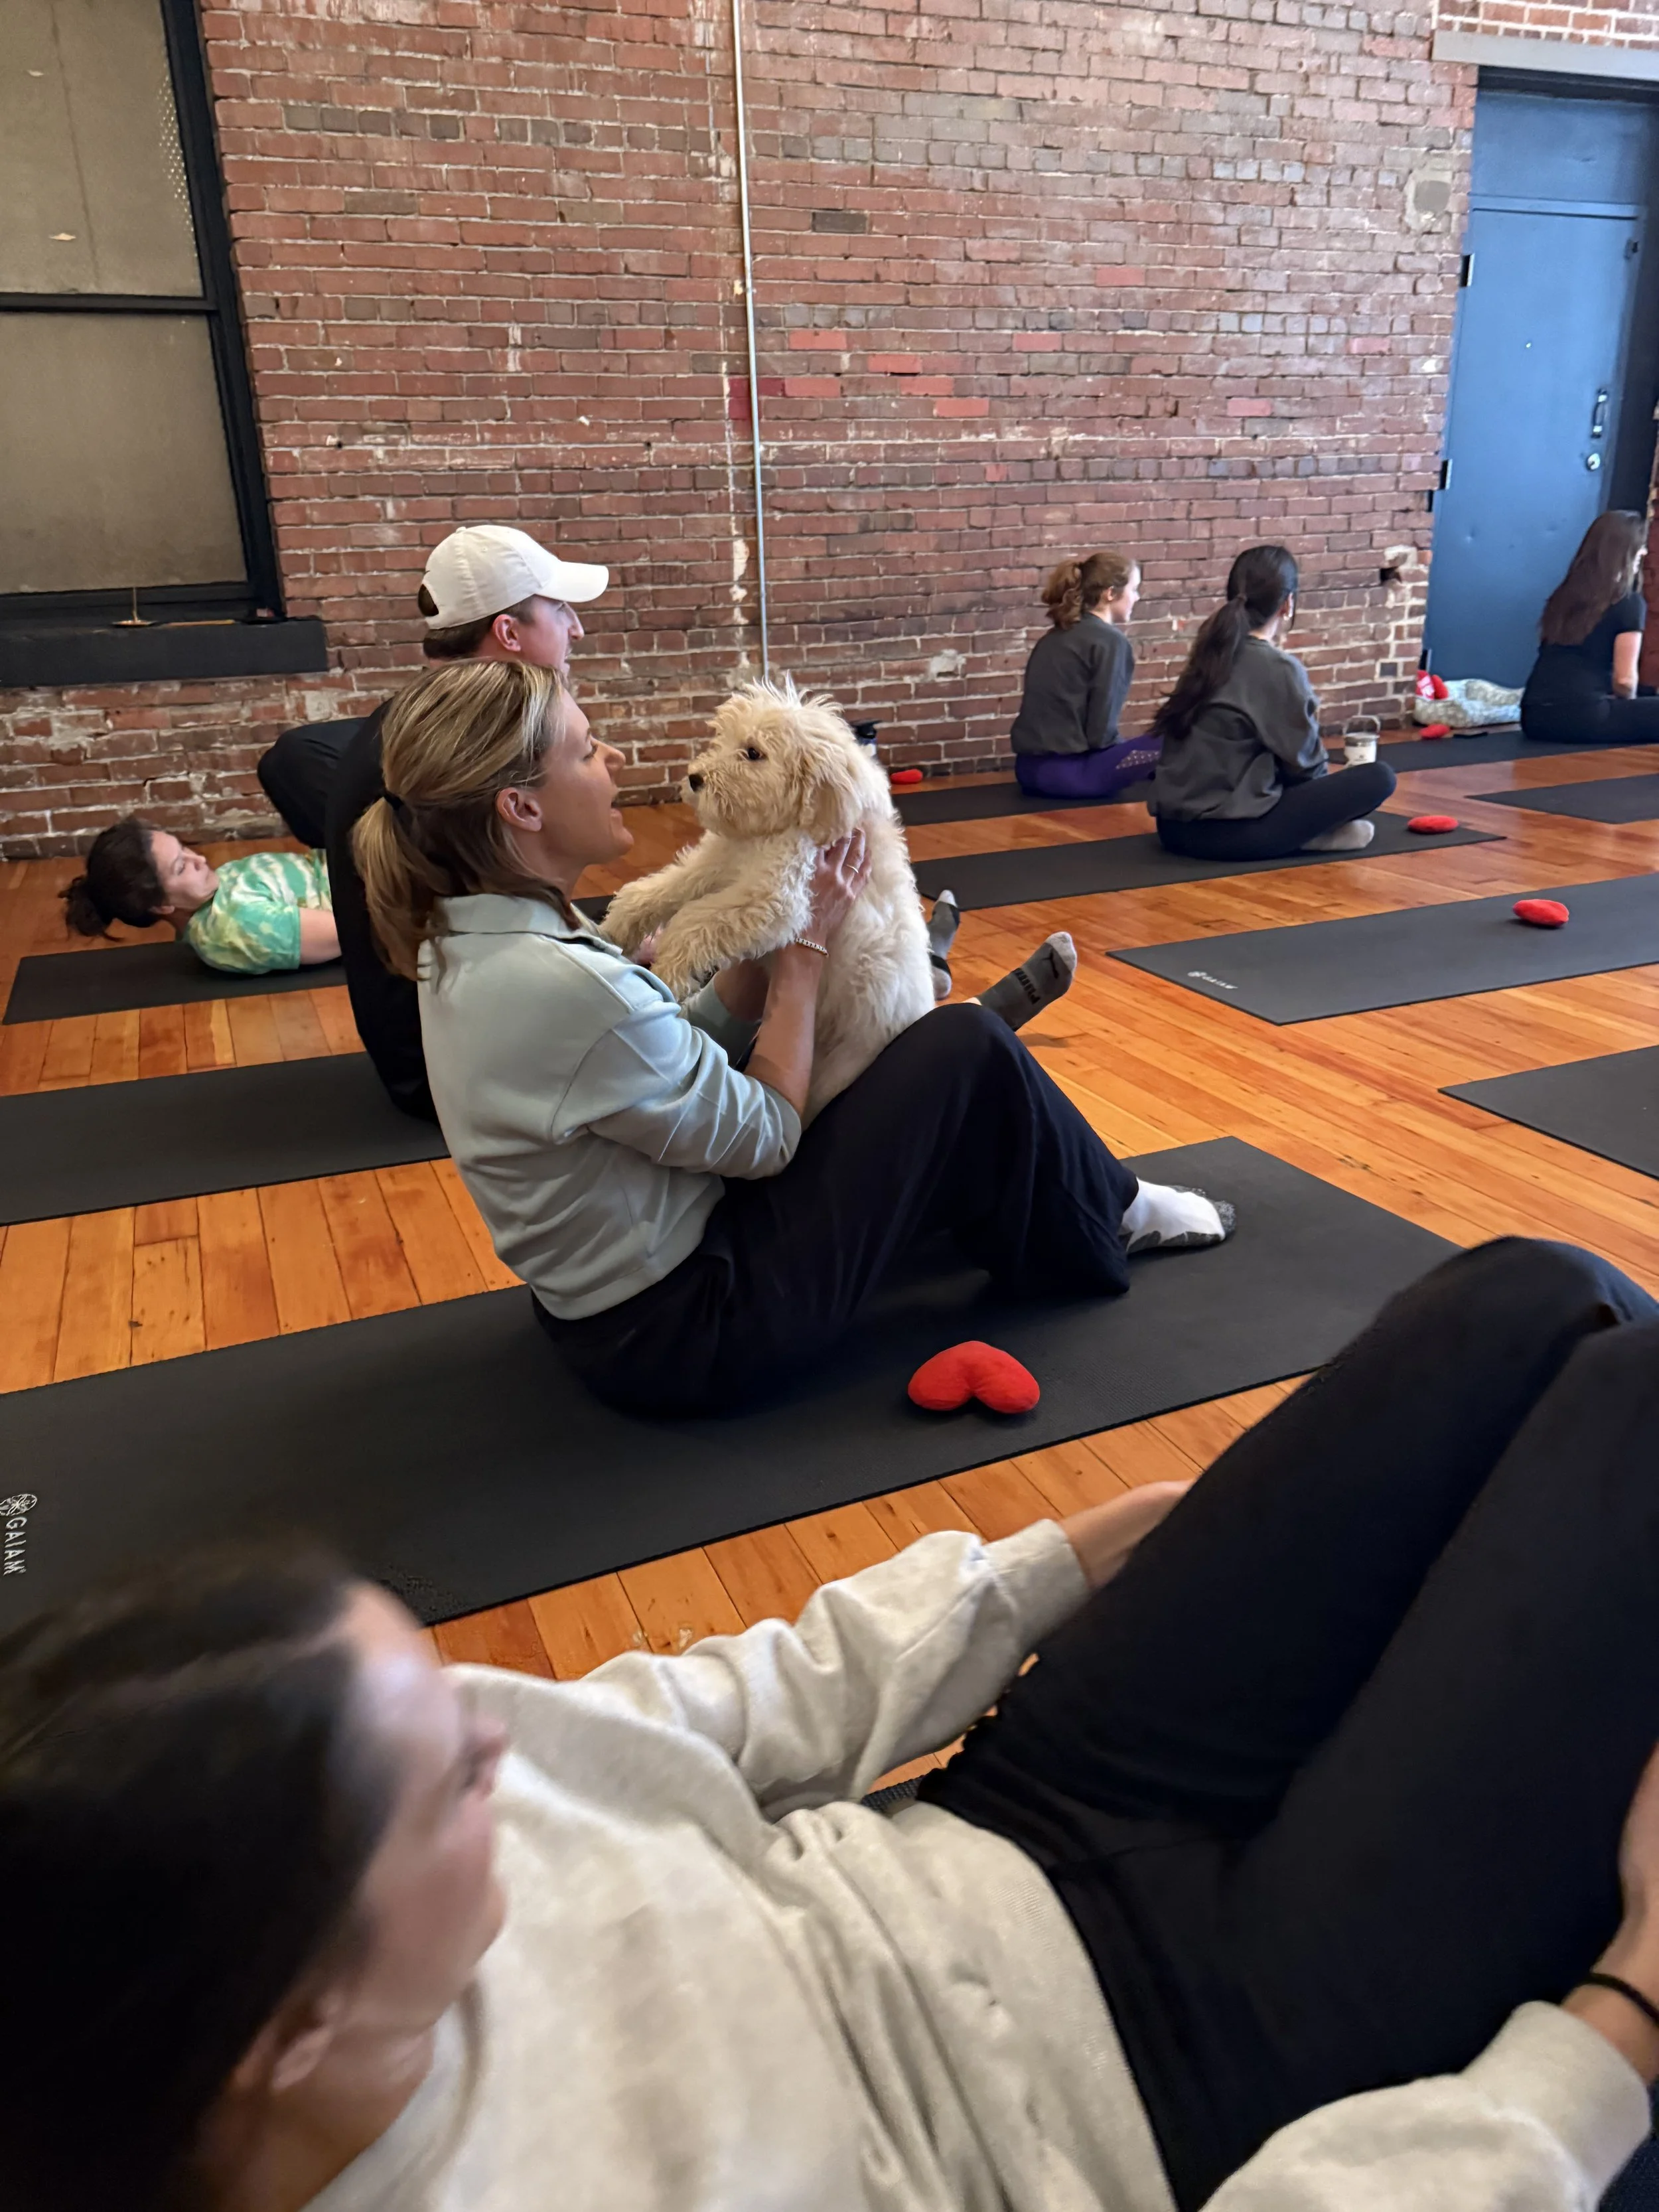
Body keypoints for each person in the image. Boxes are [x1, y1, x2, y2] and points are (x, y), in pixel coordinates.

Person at [12, 1238, 1659, 2212]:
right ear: (291, 2029)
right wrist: (1623, 2014)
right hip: (1174, 2094)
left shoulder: (373, 1786)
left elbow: (728, 1701)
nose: (495, 1743)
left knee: (1529, 1300)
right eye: (446, 1782)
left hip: (1010, 1819)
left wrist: (1051, 1563)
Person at [350, 657, 1234, 1416]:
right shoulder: (560, 982)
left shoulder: (476, 934)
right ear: (520, 807)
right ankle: (1114, 1215)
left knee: (945, 1074)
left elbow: (668, 1062)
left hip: (607, 1310)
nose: (612, 758)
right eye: (586, 750)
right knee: (964, 1047)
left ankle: (1053, 1177)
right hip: (691, 1334)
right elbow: (768, 1137)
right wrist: (803, 952)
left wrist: (771, 951)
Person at [256, 525, 610, 1123]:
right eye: (559, 609)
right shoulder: (460, 758)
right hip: (447, 1069)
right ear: (509, 633)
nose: (576, 628)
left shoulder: (420, 726)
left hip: (436, 1043)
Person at [1150, 546, 1397, 861]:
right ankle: (1305, 837)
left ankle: (1300, 835)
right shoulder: (1278, 668)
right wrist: (1323, 811)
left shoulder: (1209, 653)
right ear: (1287, 604)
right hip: (1226, 834)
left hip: (1171, 830)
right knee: (1379, 778)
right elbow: (1306, 768)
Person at [60, 814, 338, 974]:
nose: (200, 859)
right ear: (162, 905)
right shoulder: (239, 925)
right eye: (181, 867)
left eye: (184, 848)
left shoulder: (207, 898)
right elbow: (351, 930)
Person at [1009, 551, 1162, 800]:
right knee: (1172, 739)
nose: (1137, 597)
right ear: (1110, 593)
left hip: (1027, 771)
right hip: (1071, 776)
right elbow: (1101, 734)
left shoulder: (1054, 636)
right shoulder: (1111, 642)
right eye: (1134, 590)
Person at [1521, 509, 1659, 745]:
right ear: (1626, 550)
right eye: (1640, 545)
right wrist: (1631, 710)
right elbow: (1625, 682)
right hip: (1585, 715)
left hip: (1534, 717)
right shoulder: (1628, 601)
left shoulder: (1563, 595)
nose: (1644, 551)